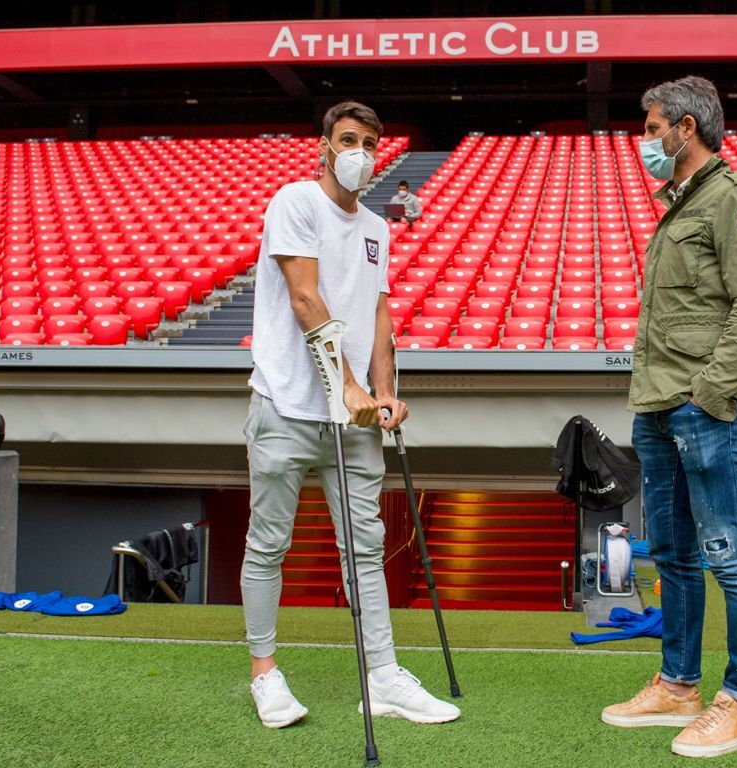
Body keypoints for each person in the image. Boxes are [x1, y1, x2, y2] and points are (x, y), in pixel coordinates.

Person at [242, 101, 460, 729]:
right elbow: (305, 295)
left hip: (356, 419)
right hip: (286, 403)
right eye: (348, 139)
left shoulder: (377, 226)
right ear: (325, 147)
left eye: (369, 141)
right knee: (268, 545)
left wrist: (383, 390)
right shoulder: (296, 203)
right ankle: (265, 673)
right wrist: (346, 385)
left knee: (366, 546)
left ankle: (384, 675)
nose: (359, 150)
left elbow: (379, 313)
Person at [602, 76, 737, 758]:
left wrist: (708, 395)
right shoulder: (676, 208)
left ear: (686, 128)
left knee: (730, 555)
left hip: (708, 407)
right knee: (673, 554)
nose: (644, 141)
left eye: (651, 129)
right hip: (657, 405)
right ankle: (678, 685)